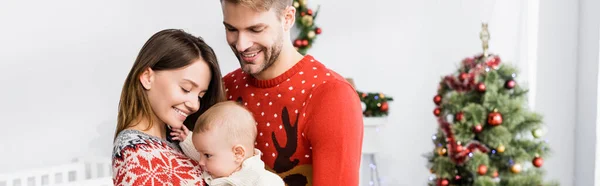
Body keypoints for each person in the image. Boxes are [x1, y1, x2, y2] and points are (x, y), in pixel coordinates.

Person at [218, 0, 364, 185]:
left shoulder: (331, 95)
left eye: (256, 30)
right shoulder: (226, 87)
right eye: (231, 29)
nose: (241, 45)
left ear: (287, 18)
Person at [112, 29, 225, 186]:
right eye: (185, 88)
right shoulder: (135, 155)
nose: (195, 105)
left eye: (200, 96)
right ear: (147, 77)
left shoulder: (180, 141)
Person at [173, 101, 284, 186]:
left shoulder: (263, 180)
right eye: (200, 153)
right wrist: (186, 139)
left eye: (207, 155)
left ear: (238, 154)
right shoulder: (221, 162)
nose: (201, 162)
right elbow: (200, 151)